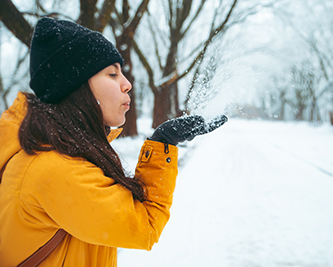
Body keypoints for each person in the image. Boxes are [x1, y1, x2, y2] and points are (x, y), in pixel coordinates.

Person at [0, 17, 227, 266]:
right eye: (112, 74)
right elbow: (145, 225)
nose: (127, 84)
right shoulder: (54, 169)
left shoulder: (51, 153)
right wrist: (163, 143)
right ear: (75, 88)